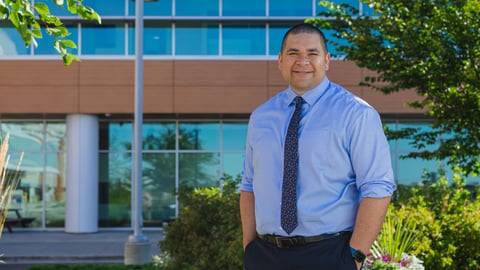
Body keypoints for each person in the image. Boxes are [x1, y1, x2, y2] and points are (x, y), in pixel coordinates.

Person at [239, 23, 397, 270]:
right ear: (280, 60)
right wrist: (249, 247)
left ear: (327, 60)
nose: (302, 61)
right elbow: (249, 185)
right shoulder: (261, 116)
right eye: (293, 54)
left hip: (330, 255)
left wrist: (354, 256)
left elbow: (378, 186)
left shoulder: (356, 114)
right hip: (265, 256)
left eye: (312, 53)